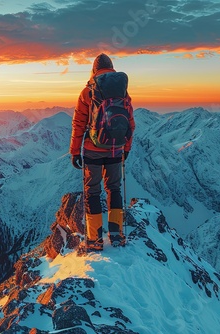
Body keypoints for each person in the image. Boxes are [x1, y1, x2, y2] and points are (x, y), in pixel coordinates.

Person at [69, 53, 135, 251]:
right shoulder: (123, 93)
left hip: (92, 149)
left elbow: (79, 123)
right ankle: (117, 234)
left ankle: (94, 238)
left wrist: (75, 151)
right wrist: (126, 148)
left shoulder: (87, 92)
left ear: (94, 70)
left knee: (92, 191)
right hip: (115, 148)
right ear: (112, 68)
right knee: (114, 189)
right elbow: (130, 122)